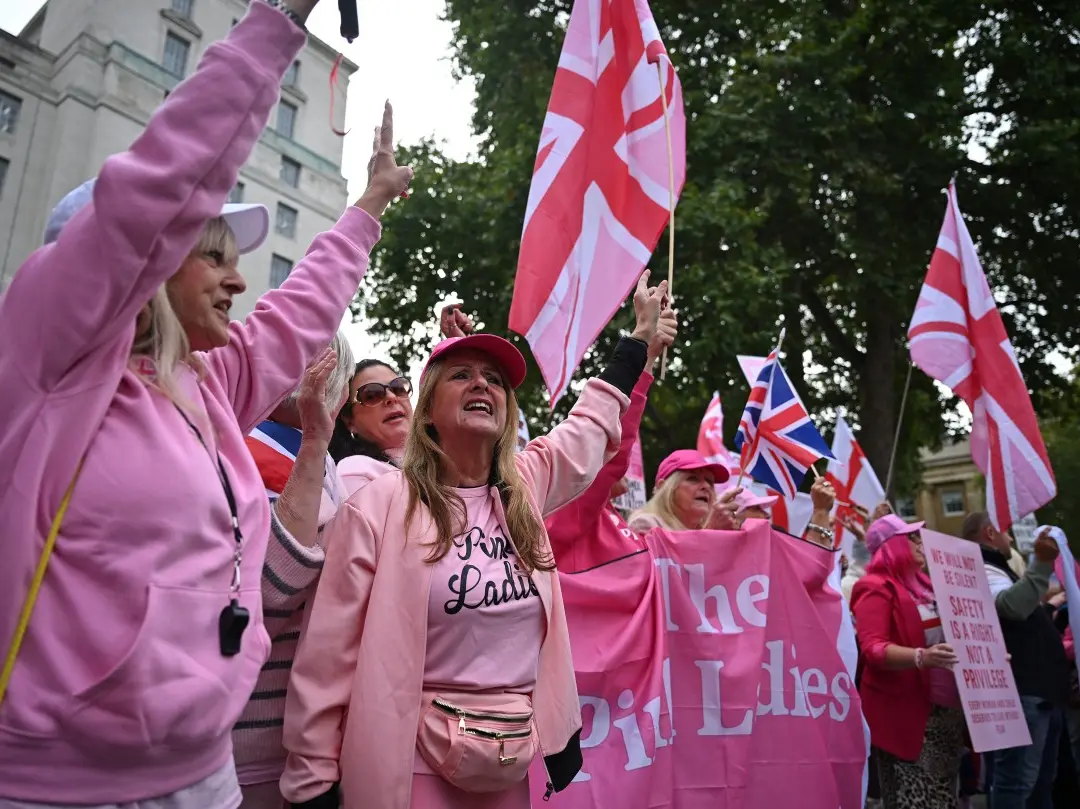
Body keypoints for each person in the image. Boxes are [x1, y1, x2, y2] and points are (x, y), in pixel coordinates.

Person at [0, 2, 412, 804]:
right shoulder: (49, 364)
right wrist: (277, 25)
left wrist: (365, 212)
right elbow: (154, 197)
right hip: (60, 787)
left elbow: (298, 314)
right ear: (140, 263)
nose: (237, 280)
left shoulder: (208, 385)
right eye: (213, 255)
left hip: (204, 776)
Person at [280, 273, 669, 809]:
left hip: (510, 768)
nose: (482, 384)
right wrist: (311, 780)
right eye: (461, 376)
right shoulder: (378, 503)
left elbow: (589, 425)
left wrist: (638, 341)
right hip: (407, 769)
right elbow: (327, 656)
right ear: (429, 412)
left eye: (493, 379)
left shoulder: (524, 490)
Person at [235, 340, 353, 808]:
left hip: (311, 739)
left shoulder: (329, 466)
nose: (310, 365)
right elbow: (267, 591)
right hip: (246, 737)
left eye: (323, 352)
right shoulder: (230, 449)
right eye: (299, 347)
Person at [544, 308, 678, 573]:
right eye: (694, 479)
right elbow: (609, 455)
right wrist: (644, 353)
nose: (706, 489)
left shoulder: (607, 515)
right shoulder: (572, 514)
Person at [851, 515, 965, 809]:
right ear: (892, 546)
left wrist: (984, 655)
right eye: (911, 537)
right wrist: (921, 657)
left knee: (944, 795)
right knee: (917, 800)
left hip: (945, 713)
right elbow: (872, 649)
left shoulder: (929, 586)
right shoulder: (874, 587)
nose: (920, 542)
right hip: (909, 715)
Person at [963, 514, 1071, 809]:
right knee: (1018, 781)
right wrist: (1041, 564)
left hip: (1041, 690)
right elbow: (1012, 606)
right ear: (989, 533)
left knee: (1040, 782)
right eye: (1006, 532)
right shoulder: (980, 568)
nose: (1010, 539)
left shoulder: (997, 568)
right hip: (1025, 690)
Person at [329, 305, 473, 495]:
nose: (391, 397)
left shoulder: (452, 455)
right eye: (371, 395)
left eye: (398, 388)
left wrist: (464, 348)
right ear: (349, 421)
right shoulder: (355, 471)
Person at [628, 450, 738, 533]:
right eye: (693, 478)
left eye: (709, 481)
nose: (706, 486)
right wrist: (710, 533)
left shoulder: (709, 528)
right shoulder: (646, 525)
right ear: (663, 487)